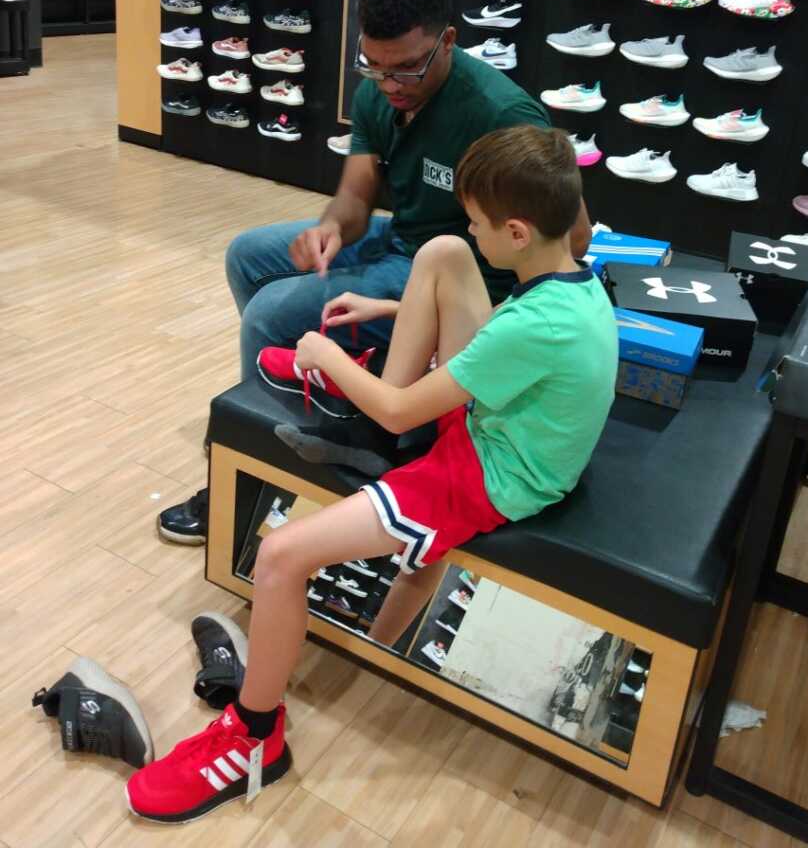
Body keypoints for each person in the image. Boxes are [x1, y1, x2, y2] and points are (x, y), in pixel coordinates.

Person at [126, 124, 619, 823]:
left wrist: (325, 357)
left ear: (515, 231)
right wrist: (392, 309)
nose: (472, 233)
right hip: (512, 426)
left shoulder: (531, 327)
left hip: (489, 474)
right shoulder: (569, 279)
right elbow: (500, 334)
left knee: (279, 557)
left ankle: (255, 738)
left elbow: (398, 415)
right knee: (442, 258)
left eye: (478, 223)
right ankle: (365, 406)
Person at [157, 0, 591, 544]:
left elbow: (574, 234)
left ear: (448, 42)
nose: (389, 84)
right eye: (374, 66)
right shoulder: (380, 89)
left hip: (460, 273)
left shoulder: (500, 113)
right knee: (247, 254)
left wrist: (472, 284)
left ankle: (246, 479)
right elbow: (357, 195)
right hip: (402, 238)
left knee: (270, 314)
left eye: (407, 69)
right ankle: (319, 410)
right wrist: (333, 227)